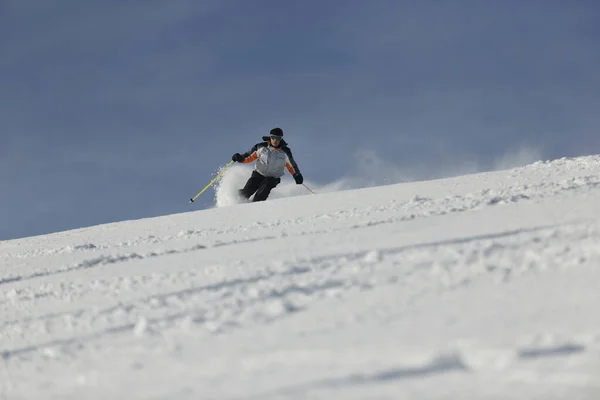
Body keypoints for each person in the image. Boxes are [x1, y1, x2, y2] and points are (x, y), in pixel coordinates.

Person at [231, 127, 304, 202]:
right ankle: (233, 198)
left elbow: (291, 166)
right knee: (247, 192)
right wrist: (240, 158)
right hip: (258, 174)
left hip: (273, 178)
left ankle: (255, 205)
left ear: (281, 139)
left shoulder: (285, 152)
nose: (275, 140)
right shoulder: (261, 147)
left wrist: (297, 175)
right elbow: (248, 157)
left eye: (278, 138)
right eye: (273, 137)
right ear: (270, 137)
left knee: (266, 186)